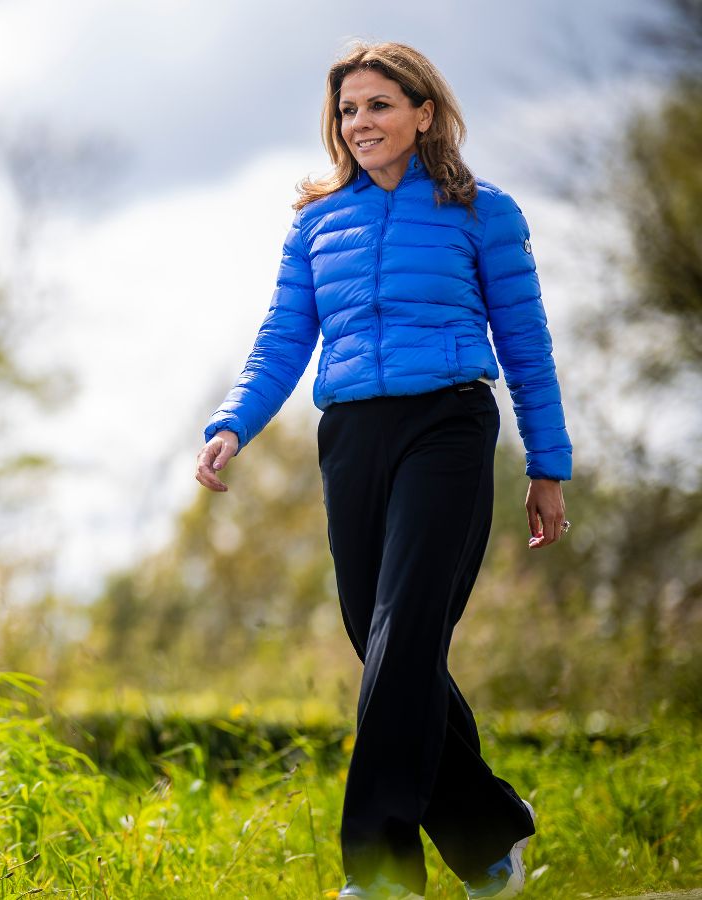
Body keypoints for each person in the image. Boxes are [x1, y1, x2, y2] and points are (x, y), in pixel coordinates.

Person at [193, 41, 571, 900]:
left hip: (448, 426)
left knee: (402, 631)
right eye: (348, 110)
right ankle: (489, 834)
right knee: (380, 639)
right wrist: (233, 424)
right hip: (354, 433)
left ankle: (382, 868)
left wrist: (547, 466)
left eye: (379, 106)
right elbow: (284, 336)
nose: (360, 123)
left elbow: (527, 348)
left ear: (424, 113)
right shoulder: (317, 221)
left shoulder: (483, 211)